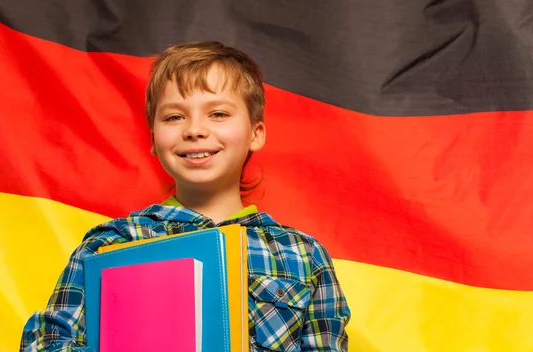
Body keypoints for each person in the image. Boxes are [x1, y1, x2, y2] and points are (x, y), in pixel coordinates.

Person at [20, 41, 350, 351]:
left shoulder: (303, 255)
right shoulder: (112, 243)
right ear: (153, 139)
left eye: (218, 113)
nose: (194, 129)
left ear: (255, 133)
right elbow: (46, 342)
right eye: (174, 116)